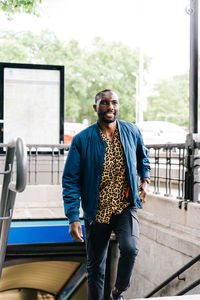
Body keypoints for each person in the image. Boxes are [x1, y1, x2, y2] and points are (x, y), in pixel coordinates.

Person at [62, 89, 151, 300]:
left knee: (130, 248)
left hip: (125, 206)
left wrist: (145, 180)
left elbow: (143, 157)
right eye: (104, 103)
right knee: (95, 268)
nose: (110, 107)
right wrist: (73, 217)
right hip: (97, 211)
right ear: (96, 107)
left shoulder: (131, 131)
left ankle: (117, 292)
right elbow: (70, 180)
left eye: (114, 103)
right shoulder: (82, 140)